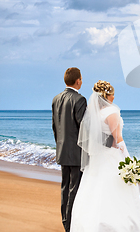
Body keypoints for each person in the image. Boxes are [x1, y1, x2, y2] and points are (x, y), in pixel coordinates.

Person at [70, 80, 140, 232]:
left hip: (97, 158)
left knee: (94, 191)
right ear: (107, 95)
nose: (114, 97)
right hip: (111, 158)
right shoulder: (111, 112)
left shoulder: (95, 114)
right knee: (115, 192)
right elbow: (118, 140)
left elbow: (98, 139)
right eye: (113, 94)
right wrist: (129, 160)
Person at [52, 67, 87, 232]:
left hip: (62, 150)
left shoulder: (56, 99)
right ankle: (70, 225)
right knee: (75, 188)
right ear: (78, 81)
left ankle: (65, 221)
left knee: (65, 187)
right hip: (76, 153)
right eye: (81, 79)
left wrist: (60, 145)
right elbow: (83, 128)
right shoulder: (79, 100)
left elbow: (55, 127)